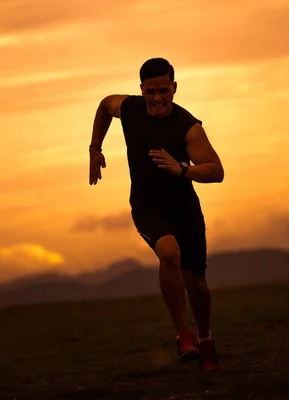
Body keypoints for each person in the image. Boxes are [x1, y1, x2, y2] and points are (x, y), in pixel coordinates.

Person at [88, 57, 224, 371]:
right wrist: (95, 148)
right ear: (142, 90)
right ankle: (183, 335)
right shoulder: (130, 109)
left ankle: (204, 336)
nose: (158, 98)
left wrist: (182, 170)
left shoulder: (188, 127)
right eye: (151, 91)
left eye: (164, 90)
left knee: (197, 283)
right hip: (147, 206)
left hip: (185, 209)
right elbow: (104, 105)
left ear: (174, 88)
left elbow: (217, 171)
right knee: (168, 252)